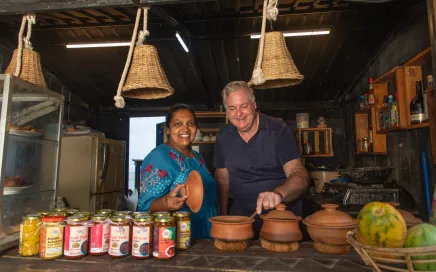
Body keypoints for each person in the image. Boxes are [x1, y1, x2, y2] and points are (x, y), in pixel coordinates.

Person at [213, 81, 309, 239]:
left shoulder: (278, 129)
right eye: (232, 108)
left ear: (254, 104)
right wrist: (224, 217)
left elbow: (299, 174)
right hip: (241, 220)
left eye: (244, 106)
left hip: (280, 220)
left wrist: (278, 194)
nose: (239, 114)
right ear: (226, 110)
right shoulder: (223, 136)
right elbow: (222, 179)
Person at [138, 104, 217, 239]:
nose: (185, 128)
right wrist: (165, 202)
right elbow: (145, 206)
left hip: (209, 229)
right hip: (182, 236)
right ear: (168, 129)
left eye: (190, 123)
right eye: (178, 124)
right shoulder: (159, 157)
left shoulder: (197, 157)